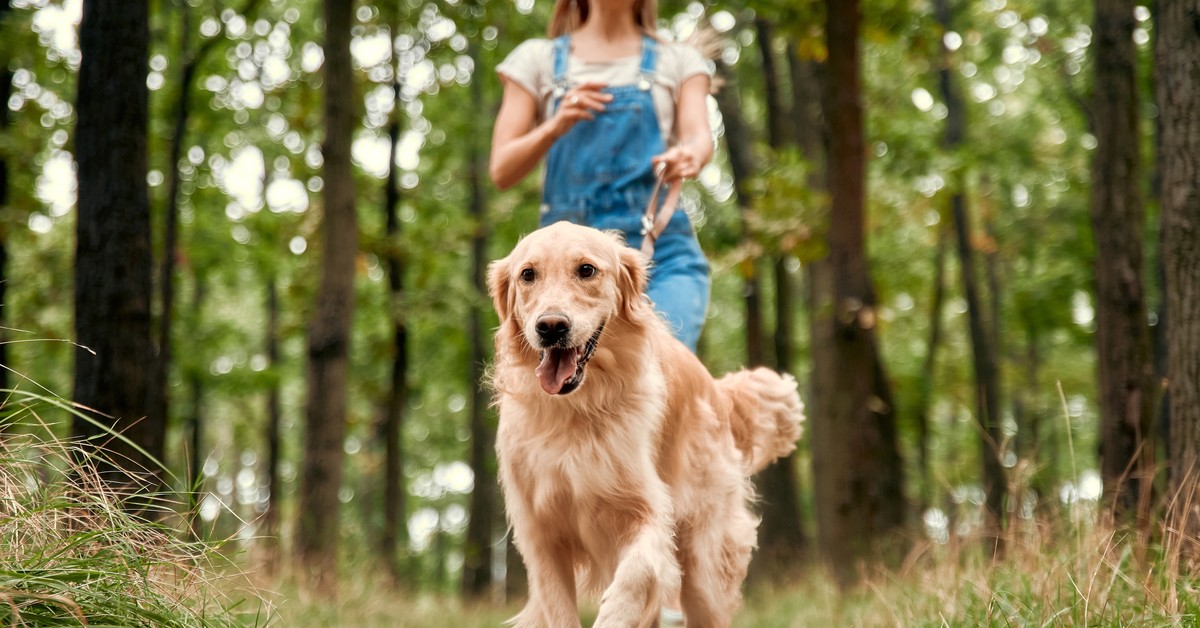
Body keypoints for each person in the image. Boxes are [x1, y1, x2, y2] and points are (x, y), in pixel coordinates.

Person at [489, 0, 715, 352]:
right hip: (561, 267)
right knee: (574, 396)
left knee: (666, 372)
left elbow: (699, 137)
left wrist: (691, 154)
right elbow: (502, 169)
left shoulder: (678, 61)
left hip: (661, 256)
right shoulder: (537, 60)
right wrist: (555, 125)